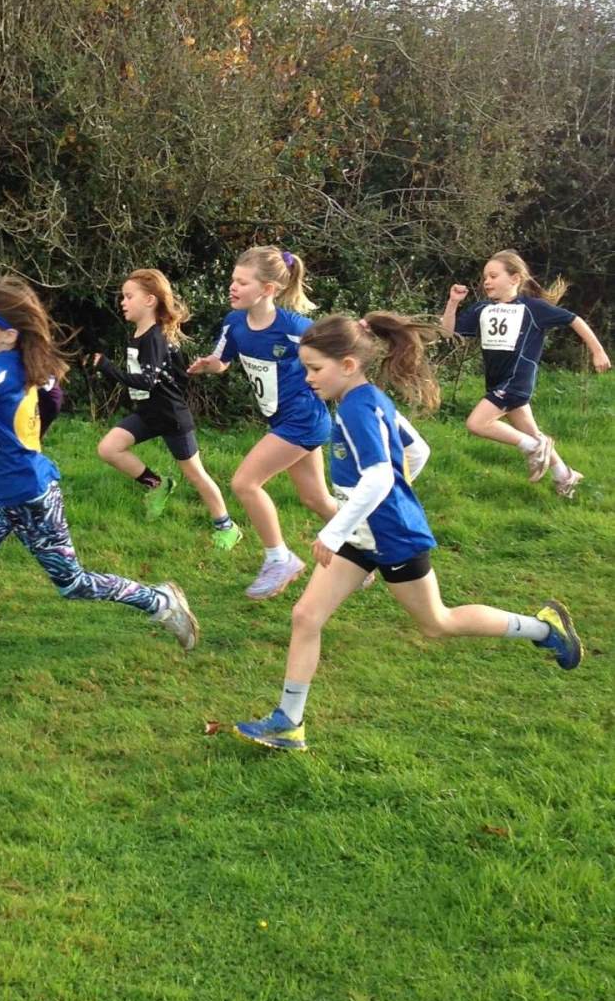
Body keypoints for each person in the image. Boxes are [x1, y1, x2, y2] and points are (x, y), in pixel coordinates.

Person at [234, 312, 584, 752]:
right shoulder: (368, 398)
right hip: (363, 534)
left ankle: (543, 629)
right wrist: (382, 502)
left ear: (348, 365)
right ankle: (288, 723)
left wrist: (337, 530)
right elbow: (418, 449)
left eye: (315, 368)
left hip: (392, 537)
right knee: (306, 616)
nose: (308, 378)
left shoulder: (358, 409)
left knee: (438, 623)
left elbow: (380, 476)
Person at [0, 276, 199, 703]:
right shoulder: (32, 363)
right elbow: (54, 399)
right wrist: (29, 442)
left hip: (31, 498)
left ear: (8, 335)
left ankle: (160, 601)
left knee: (72, 583)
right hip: (3, 496)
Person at [188, 246, 338, 599]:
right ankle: (366, 549)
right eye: (233, 280)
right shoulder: (234, 323)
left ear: (268, 289)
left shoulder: (295, 329)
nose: (233, 287)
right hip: (282, 420)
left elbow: (336, 361)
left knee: (245, 482)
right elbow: (222, 360)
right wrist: (208, 366)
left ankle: (279, 559)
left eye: (243, 282)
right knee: (315, 498)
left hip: (303, 420)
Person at [91, 269, 241, 549]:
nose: (123, 302)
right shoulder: (141, 333)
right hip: (148, 414)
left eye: (128, 296)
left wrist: (108, 368)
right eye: (123, 297)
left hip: (171, 418)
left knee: (195, 473)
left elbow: (147, 381)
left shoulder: (155, 337)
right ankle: (157, 485)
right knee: (109, 449)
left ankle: (227, 526)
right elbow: (174, 374)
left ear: (150, 300)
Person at [442, 250, 610, 498]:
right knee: (530, 430)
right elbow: (448, 333)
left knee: (476, 424)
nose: (486, 281)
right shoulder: (482, 309)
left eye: (493, 276)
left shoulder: (532, 308)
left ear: (515, 278)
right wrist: (453, 302)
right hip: (497, 382)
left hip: (516, 381)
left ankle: (534, 447)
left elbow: (574, 320)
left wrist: (598, 351)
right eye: (485, 277)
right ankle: (564, 475)